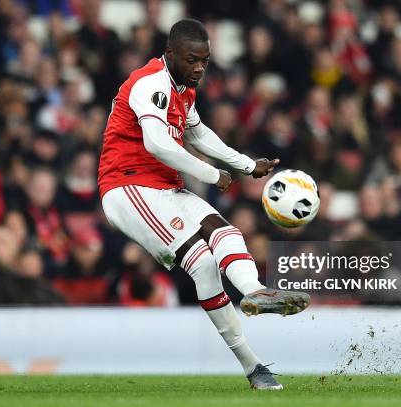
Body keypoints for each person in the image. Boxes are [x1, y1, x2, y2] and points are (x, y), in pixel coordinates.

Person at [97, 19, 310, 390]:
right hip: (127, 185)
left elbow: (197, 133)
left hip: (163, 187)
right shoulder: (151, 84)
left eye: (205, 61)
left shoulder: (184, 89)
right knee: (201, 259)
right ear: (170, 54)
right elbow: (158, 144)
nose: (199, 68)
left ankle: (256, 307)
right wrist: (212, 175)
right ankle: (253, 346)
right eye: (192, 60)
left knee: (220, 239)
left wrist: (246, 164)